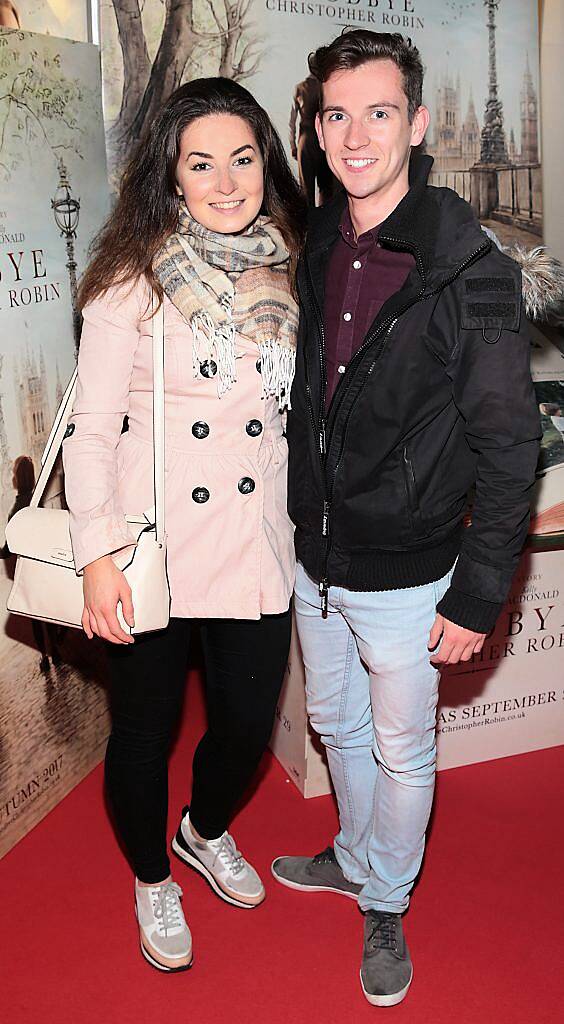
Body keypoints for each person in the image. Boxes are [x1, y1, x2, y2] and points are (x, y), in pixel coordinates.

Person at [272, 31, 541, 1007]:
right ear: (316, 124)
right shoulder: (317, 246)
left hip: (409, 570)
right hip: (320, 554)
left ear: (417, 125)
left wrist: (478, 592)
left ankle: (386, 896)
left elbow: (511, 448)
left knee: (400, 748)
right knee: (336, 724)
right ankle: (352, 853)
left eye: (378, 112)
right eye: (336, 113)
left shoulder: (468, 268)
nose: (355, 134)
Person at [63, 77, 305, 973]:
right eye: (201, 163)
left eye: (243, 158)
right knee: (143, 732)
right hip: (150, 548)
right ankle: (151, 878)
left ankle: (204, 830)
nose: (227, 181)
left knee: (244, 726)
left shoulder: (292, 265)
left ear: (266, 165)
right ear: (171, 177)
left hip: (255, 541)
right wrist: (98, 553)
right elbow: (92, 430)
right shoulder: (129, 278)